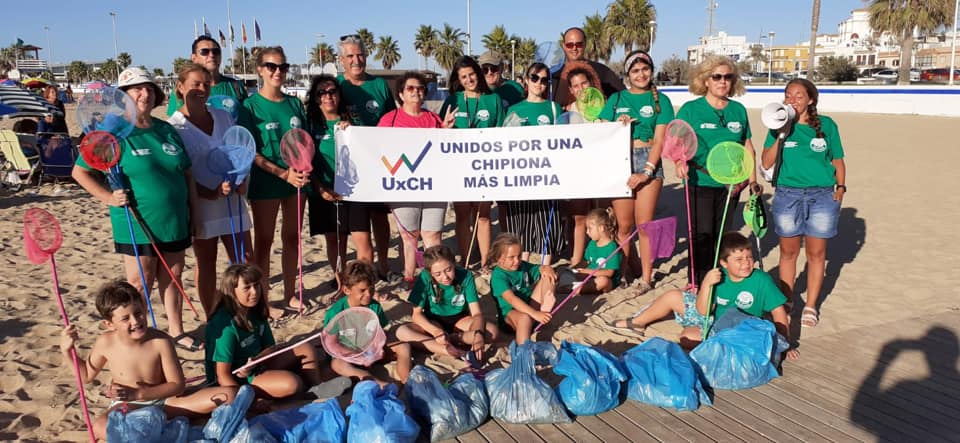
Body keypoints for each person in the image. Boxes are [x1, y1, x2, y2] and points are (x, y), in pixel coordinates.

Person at [72, 67, 201, 352]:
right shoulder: (111, 130)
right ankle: (137, 335)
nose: (144, 93)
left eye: (149, 88)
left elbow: (187, 174)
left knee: (174, 275)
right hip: (136, 220)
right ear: (123, 96)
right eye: (136, 89)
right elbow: (80, 172)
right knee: (140, 282)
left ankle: (177, 331)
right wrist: (108, 197)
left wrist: (195, 212)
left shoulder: (165, 128)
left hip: (175, 218)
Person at [60, 280, 236, 439]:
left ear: (144, 307)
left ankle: (160, 426)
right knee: (100, 426)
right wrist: (68, 351)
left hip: (166, 403)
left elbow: (177, 384)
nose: (135, 321)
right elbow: (85, 376)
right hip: (130, 405)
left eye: (138, 312)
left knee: (229, 395)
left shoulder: (161, 341)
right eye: (125, 318)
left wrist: (140, 393)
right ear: (109, 324)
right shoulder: (105, 342)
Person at [609, 232, 799, 359]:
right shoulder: (718, 275)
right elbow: (702, 309)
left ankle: (719, 345)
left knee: (687, 337)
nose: (746, 263)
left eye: (749, 258)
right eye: (739, 260)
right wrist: (707, 283)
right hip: (711, 316)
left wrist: (785, 343)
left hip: (733, 330)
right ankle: (637, 322)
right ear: (724, 263)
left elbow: (778, 312)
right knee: (673, 296)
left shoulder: (761, 280)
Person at [168, 63, 253, 318]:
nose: (202, 89)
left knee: (244, 258)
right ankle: (212, 316)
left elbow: (239, 153)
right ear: (181, 87)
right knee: (206, 264)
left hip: (233, 199)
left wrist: (241, 181)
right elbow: (181, 172)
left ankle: (246, 310)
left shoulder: (223, 116)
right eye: (195, 83)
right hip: (202, 204)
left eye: (206, 83)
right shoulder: (174, 126)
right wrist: (209, 192)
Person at [761, 79, 846, 328]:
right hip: (788, 195)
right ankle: (787, 301)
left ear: (810, 100)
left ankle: (810, 305)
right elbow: (765, 163)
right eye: (788, 95)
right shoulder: (777, 124)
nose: (792, 100)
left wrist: (840, 188)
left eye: (799, 96)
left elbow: (838, 160)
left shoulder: (827, 125)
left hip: (822, 196)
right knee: (788, 252)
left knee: (816, 253)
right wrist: (780, 134)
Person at [205, 264, 348, 400]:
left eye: (256, 285)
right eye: (247, 288)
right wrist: (245, 400)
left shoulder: (255, 310)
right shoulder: (226, 325)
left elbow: (271, 347)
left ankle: (316, 387)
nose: (254, 292)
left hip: (257, 364)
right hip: (238, 378)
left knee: (306, 348)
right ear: (231, 292)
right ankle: (287, 386)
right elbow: (222, 375)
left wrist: (256, 360)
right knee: (292, 383)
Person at [676, 55, 758, 285]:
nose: (723, 82)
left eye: (728, 77)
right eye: (717, 77)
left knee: (722, 235)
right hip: (699, 181)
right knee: (702, 235)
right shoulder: (691, 110)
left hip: (731, 184)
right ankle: (697, 282)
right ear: (706, 80)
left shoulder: (738, 110)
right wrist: (678, 162)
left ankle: (718, 281)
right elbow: (676, 142)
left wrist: (751, 182)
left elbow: (748, 147)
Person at [242, 46, 310, 319]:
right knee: (265, 241)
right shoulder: (250, 106)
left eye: (282, 66)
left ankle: (290, 293)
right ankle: (264, 298)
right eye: (271, 66)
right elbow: (250, 151)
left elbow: (304, 142)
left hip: (296, 181)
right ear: (260, 69)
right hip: (267, 181)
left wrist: (302, 171)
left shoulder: (294, 104)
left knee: (293, 238)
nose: (277, 71)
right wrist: (281, 173)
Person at [598, 50, 674, 292]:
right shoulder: (617, 99)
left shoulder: (661, 100)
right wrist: (614, 125)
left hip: (648, 161)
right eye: (635, 70)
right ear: (627, 74)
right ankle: (620, 276)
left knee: (645, 225)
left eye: (645, 69)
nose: (641, 75)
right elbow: (599, 130)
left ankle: (646, 278)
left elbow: (660, 140)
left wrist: (648, 171)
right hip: (621, 160)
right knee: (623, 227)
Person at [377, 71, 455, 285]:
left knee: (432, 235)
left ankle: (434, 279)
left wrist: (446, 130)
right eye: (410, 88)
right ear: (401, 94)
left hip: (433, 185)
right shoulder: (389, 120)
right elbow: (376, 149)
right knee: (409, 236)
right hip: (403, 185)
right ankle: (409, 278)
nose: (416, 92)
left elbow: (445, 151)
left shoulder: (433, 118)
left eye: (420, 88)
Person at [336, 35, 398, 283]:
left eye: (360, 54)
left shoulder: (379, 85)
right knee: (353, 225)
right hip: (349, 165)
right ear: (342, 60)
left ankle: (383, 265)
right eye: (350, 56)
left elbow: (392, 121)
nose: (356, 60)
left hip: (378, 162)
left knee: (380, 217)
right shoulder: (337, 85)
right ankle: (355, 272)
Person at [440, 56, 505, 269]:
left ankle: (485, 262)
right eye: (464, 77)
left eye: (472, 74)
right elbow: (440, 132)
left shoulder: (493, 99)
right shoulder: (453, 100)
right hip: (459, 166)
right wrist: (445, 128)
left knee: (483, 214)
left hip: (485, 166)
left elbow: (502, 132)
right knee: (462, 214)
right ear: (458, 80)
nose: (470, 80)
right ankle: (465, 260)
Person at [502, 62, 565, 265]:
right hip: (522, 174)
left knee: (548, 218)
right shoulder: (514, 109)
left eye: (545, 79)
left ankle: (545, 266)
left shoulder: (554, 108)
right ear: (527, 80)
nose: (540, 83)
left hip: (548, 172)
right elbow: (503, 143)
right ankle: (524, 264)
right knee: (523, 221)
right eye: (535, 78)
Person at [396, 245, 498, 359]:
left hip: (460, 320)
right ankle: (448, 350)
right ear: (430, 273)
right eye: (438, 274)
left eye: (448, 270)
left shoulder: (466, 275)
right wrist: (435, 331)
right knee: (403, 332)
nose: (445, 277)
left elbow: (477, 314)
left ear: (454, 264)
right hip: (434, 321)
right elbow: (416, 314)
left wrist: (478, 335)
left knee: (492, 332)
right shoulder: (424, 277)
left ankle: (452, 339)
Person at [324, 260, 413, 385]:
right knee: (337, 364)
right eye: (362, 290)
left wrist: (377, 347)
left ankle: (407, 380)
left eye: (371, 289)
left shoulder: (374, 306)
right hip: (349, 355)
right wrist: (353, 354)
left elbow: (379, 332)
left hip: (371, 351)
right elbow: (331, 345)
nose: (368, 294)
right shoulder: (335, 313)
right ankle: (381, 384)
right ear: (346, 290)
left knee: (403, 346)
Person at [305, 74, 350, 290]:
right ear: (315, 97)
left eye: (332, 91)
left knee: (347, 237)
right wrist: (319, 187)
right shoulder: (310, 124)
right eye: (322, 92)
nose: (328, 96)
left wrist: (352, 131)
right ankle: (339, 277)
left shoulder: (350, 121)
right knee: (332, 238)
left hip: (349, 189)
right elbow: (306, 160)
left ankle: (352, 277)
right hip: (321, 189)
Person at [558, 61, 603, 267]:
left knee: (601, 216)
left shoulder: (605, 106)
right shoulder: (567, 112)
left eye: (584, 84)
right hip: (576, 172)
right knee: (577, 217)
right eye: (576, 86)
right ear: (571, 90)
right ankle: (576, 258)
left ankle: (599, 254)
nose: (581, 89)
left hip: (601, 169)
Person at [489, 233, 558, 345]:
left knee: (548, 277)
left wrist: (547, 268)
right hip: (511, 317)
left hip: (532, 309)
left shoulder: (522, 266)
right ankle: (523, 350)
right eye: (512, 257)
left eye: (519, 256)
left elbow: (540, 269)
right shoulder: (498, 276)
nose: (517, 260)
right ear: (499, 259)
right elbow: (511, 299)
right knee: (525, 318)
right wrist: (534, 313)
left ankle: (545, 308)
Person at [166, 35, 247, 117]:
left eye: (216, 51)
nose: (211, 55)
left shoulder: (236, 86)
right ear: (194, 58)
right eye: (204, 52)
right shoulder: (184, 90)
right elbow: (175, 124)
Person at [551, 27, 623, 103]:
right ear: (564, 46)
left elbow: (622, 96)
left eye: (579, 44)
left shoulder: (602, 71)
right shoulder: (554, 74)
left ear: (585, 44)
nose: (574, 48)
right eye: (570, 45)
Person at [566, 208, 623, 293]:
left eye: (590, 228)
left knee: (603, 281)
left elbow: (609, 273)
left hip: (607, 279)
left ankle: (576, 290)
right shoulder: (592, 243)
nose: (587, 232)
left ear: (601, 228)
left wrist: (587, 271)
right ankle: (577, 287)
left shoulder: (612, 247)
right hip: (590, 275)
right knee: (566, 272)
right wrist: (576, 268)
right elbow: (586, 261)